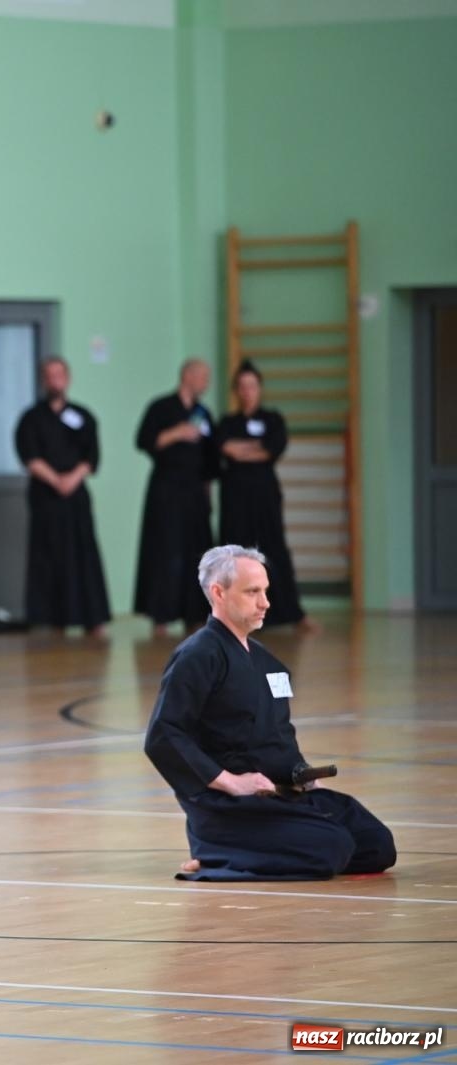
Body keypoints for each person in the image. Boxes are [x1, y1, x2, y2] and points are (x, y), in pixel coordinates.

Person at [143, 545, 394, 881]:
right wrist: (231, 782)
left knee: (376, 844)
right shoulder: (197, 655)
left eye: (265, 591)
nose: (265, 603)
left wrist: (304, 776)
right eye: (252, 592)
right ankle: (219, 851)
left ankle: (251, 850)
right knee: (332, 847)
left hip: (280, 795)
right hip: (229, 807)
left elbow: (277, 733)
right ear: (218, 593)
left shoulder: (268, 662)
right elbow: (163, 736)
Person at [213, 361, 317, 632]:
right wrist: (253, 448)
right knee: (234, 553)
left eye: (252, 386)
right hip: (235, 495)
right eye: (242, 386)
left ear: (259, 389)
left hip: (265, 494)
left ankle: (293, 614)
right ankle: (229, 616)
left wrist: (244, 449)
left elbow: (272, 449)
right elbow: (227, 449)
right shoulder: (227, 422)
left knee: (273, 548)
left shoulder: (273, 419)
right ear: (236, 390)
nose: (247, 391)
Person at [13, 356, 110, 635]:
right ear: (43, 380)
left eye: (59, 374)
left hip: (76, 495)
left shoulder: (83, 416)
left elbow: (91, 457)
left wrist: (72, 479)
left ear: (67, 378)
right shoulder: (31, 419)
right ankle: (52, 619)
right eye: (49, 375)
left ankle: (92, 618)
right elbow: (30, 457)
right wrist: (56, 480)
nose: (55, 380)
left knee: (83, 554)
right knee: (48, 556)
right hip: (45, 496)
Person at [133, 359, 216, 637]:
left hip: (194, 491)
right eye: (202, 376)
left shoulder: (203, 413)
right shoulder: (161, 408)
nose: (206, 382)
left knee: (197, 552)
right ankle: (161, 616)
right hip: (166, 489)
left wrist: (208, 496)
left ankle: (195, 615)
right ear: (187, 376)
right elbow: (144, 441)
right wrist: (176, 433)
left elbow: (210, 460)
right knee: (165, 549)